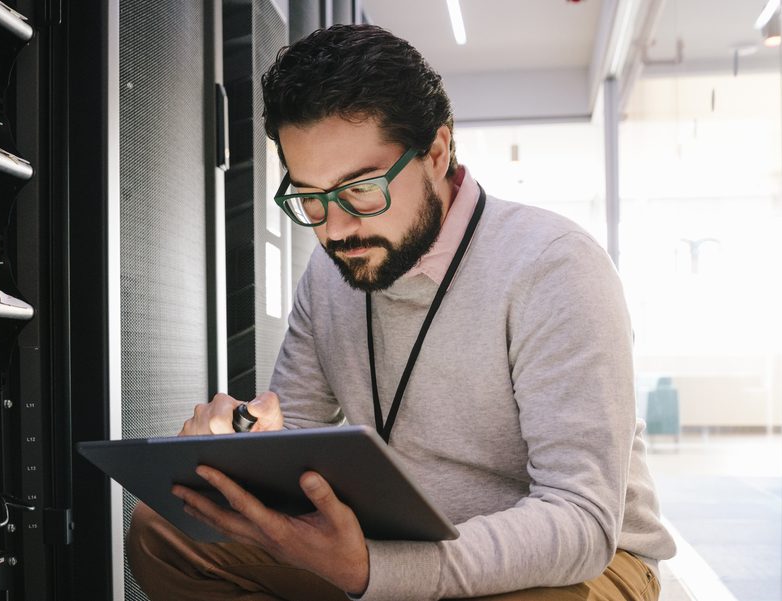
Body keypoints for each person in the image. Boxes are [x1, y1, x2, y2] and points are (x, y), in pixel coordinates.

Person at [125, 24, 675, 601]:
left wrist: (376, 572)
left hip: (576, 564)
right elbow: (299, 435)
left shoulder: (554, 266)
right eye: (310, 198)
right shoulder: (328, 273)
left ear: (436, 153)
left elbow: (581, 522)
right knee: (163, 532)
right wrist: (244, 445)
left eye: (361, 190)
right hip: (385, 543)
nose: (335, 229)